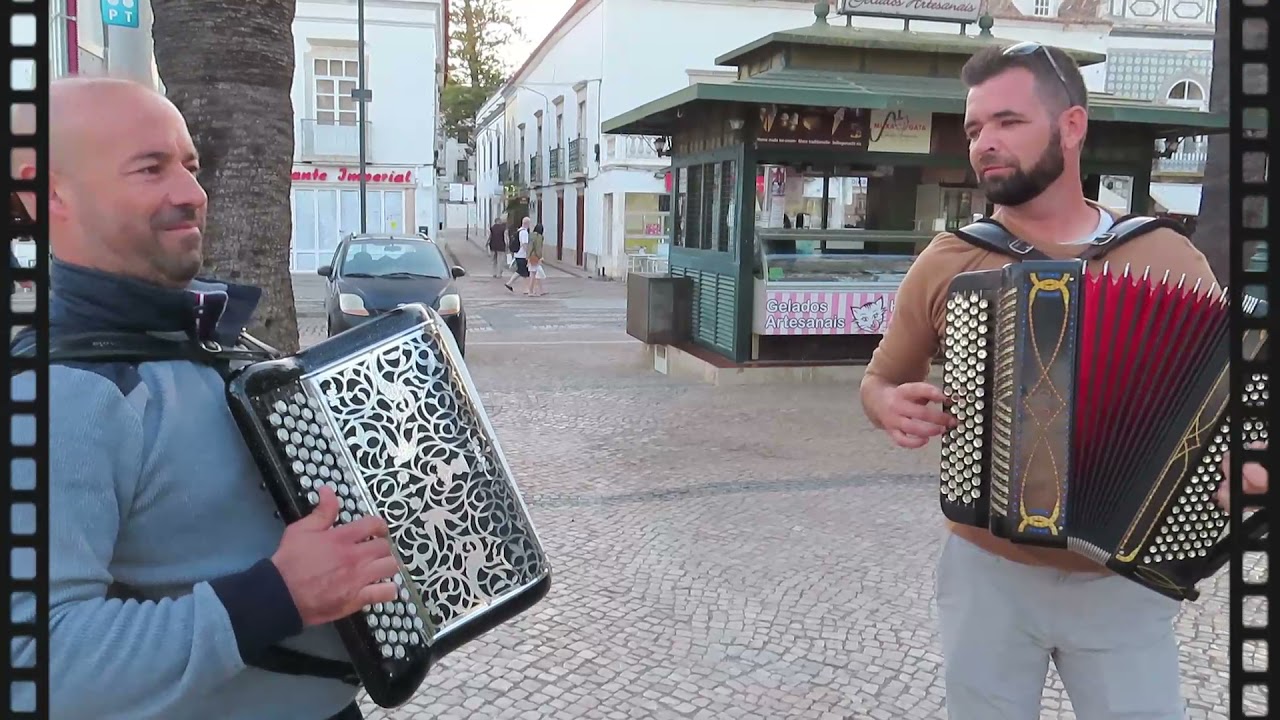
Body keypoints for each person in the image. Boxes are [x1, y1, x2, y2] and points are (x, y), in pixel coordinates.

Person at [9, 77, 400, 720]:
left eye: (190, 167)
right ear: (47, 193)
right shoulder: (63, 394)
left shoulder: (204, 338)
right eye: (150, 168)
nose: (192, 193)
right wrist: (277, 597)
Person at [860, 43, 1217, 719]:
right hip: (986, 575)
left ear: (1071, 126)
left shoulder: (1165, 256)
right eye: (974, 129)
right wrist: (888, 405)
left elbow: (1226, 401)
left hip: (1122, 581)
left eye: (1008, 122)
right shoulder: (951, 259)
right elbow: (880, 380)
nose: (984, 143)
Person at [505, 216, 532, 293]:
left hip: (517, 254)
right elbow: (524, 244)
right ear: (527, 223)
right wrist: (528, 254)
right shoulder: (524, 232)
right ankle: (526, 289)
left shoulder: (519, 231)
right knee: (524, 273)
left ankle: (509, 283)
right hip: (522, 255)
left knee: (521, 271)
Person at [527, 222, 547, 296]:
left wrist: (528, 257)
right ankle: (532, 291)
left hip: (531, 256)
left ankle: (540, 290)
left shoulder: (531, 235)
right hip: (535, 256)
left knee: (535, 274)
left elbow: (529, 247)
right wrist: (540, 257)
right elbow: (538, 248)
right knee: (534, 275)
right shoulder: (539, 237)